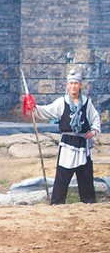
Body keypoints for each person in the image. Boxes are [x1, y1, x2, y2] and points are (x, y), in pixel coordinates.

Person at [31, 69, 101, 205]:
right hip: (67, 143)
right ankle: (57, 202)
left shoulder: (87, 103)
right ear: (67, 86)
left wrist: (93, 131)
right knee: (63, 174)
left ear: (80, 85)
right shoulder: (61, 102)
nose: (73, 86)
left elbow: (96, 118)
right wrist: (33, 106)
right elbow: (46, 111)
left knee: (85, 175)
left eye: (76, 83)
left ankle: (88, 201)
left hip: (82, 143)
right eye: (71, 83)